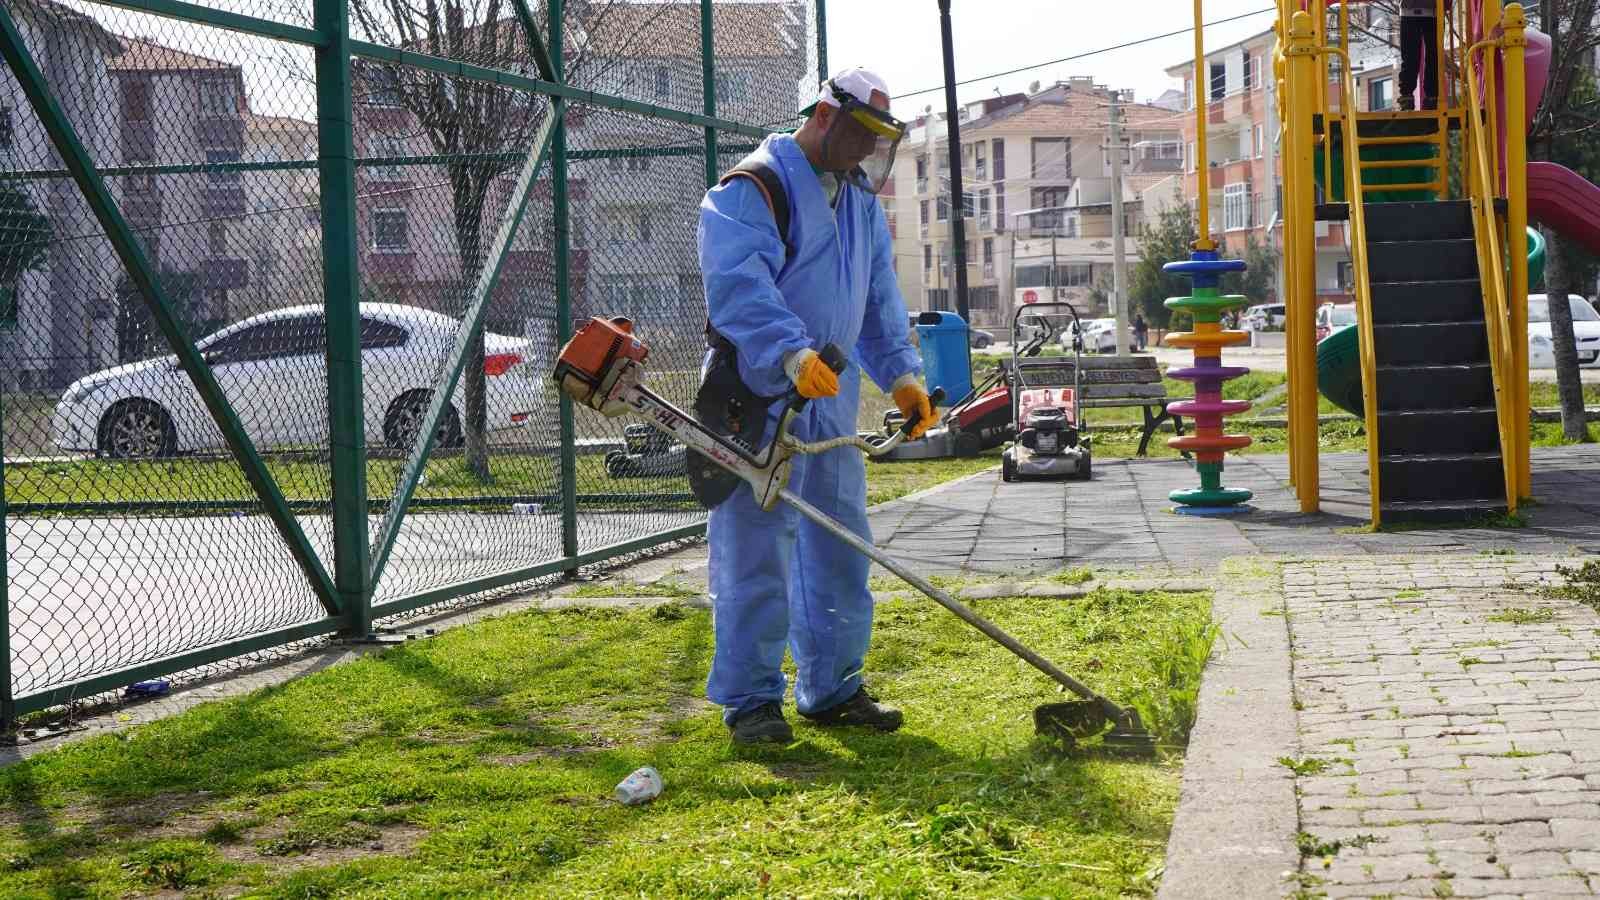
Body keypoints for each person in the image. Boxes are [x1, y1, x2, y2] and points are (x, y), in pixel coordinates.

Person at [696, 68, 932, 744]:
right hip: (756, 395)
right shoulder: (753, 188)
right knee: (755, 550)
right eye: (859, 134)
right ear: (825, 116)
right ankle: (751, 701)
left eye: (876, 141)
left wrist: (903, 377)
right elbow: (739, 286)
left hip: (829, 399)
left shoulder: (856, 198)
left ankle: (834, 686)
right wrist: (790, 353)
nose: (866, 152)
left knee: (840, 541)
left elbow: (877, 297)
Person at [1397, 0, 1439, 111]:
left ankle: (1429, 97)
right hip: (1415, 10)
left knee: (1432, 57)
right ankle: (1412, 97)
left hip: (1431, 11)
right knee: (1413, 57)